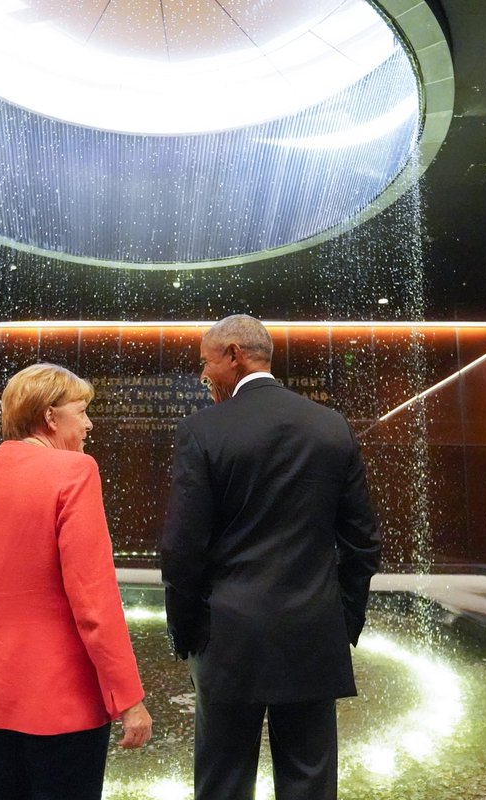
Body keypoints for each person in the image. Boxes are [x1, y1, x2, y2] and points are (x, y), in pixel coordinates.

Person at [160, 314, 381, 800]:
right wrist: (341, 622)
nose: (203, 375)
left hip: (227, 640)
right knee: (309, 783)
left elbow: (182, 550)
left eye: (207, 362)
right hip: (312, 636)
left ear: (234, 355)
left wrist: (186, 630)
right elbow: (363, 543)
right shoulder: (331, 427)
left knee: (223, 784)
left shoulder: (202, 430)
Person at [0, 362, 152, 800]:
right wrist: (128, 698)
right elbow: (93, 599)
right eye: (82, 411)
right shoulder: (75, 471)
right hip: (57, 695)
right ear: (50, 417)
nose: (89, 423)